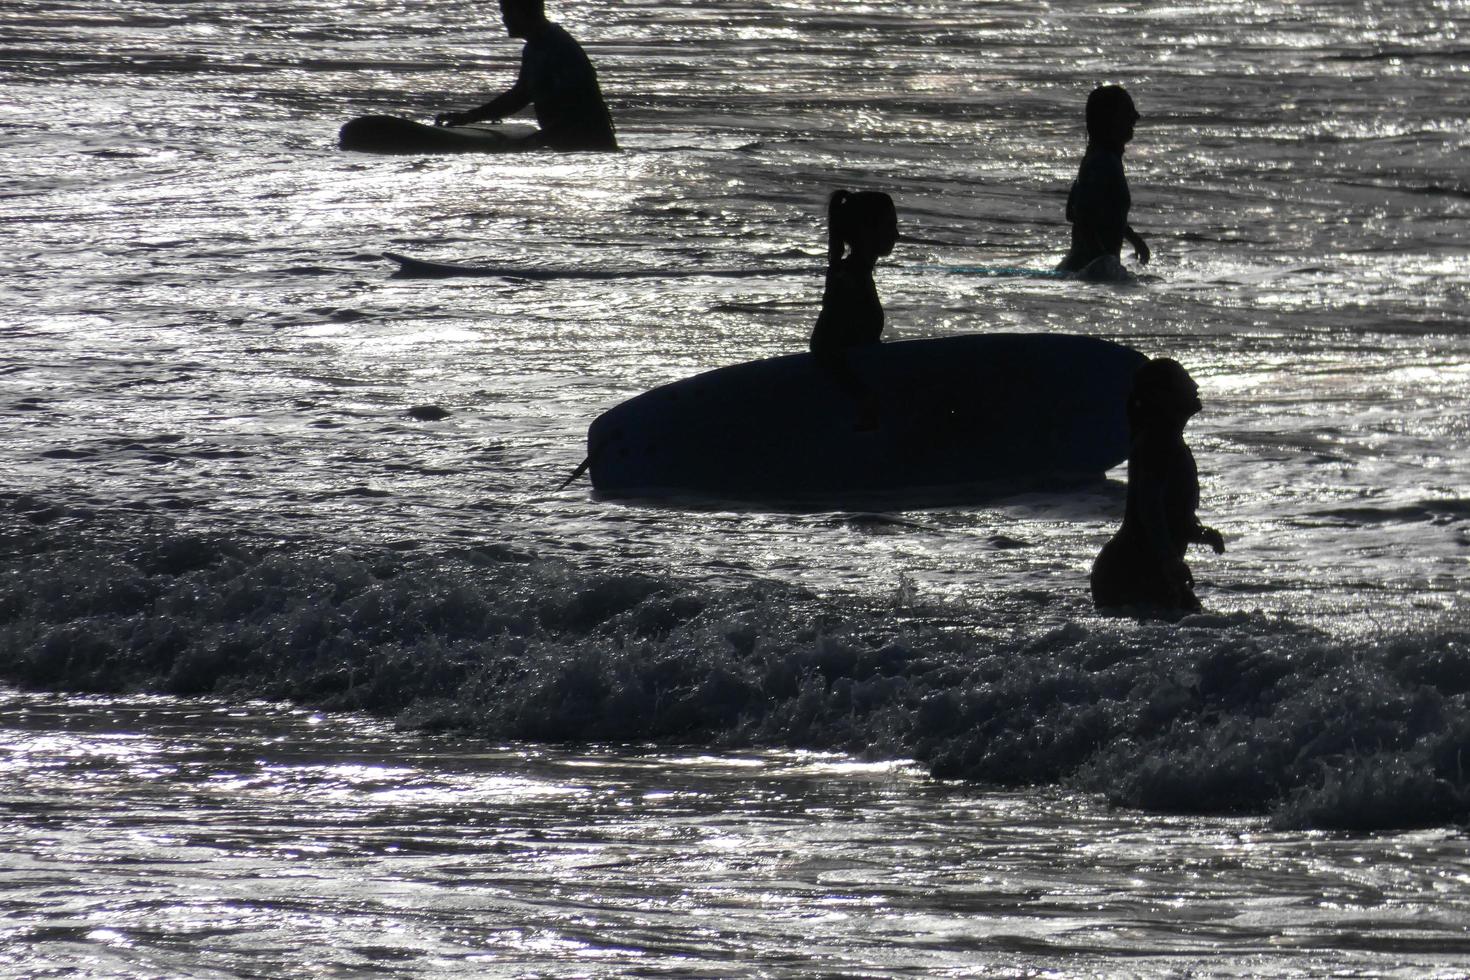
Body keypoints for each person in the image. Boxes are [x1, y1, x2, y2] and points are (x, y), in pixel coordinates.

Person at [1091, 357, 1225, 612]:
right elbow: (1148, 506)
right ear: (1162, 396)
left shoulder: (1169, 440)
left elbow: (1169, 512)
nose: (1195, 386)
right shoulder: (1157, 441)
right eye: (1185, 381)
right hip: (1131, 572)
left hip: (1145, 568)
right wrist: (1168, 560)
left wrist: (1200, 534)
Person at [434, 0, 617, 152]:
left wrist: (538, 140)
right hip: (566, 145)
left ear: (522, 12)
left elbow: (580, 109)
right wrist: (468, 117)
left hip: (590, 146)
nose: (504, 19)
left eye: (506, 12)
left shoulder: (559, 47)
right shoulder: (535, 47)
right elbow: (520, 96)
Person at [808, 190, 898, 429]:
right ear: (866, 230)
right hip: (847, 410)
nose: (897, 235)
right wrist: (861, 395)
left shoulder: (858, 274)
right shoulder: (847, 278)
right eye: (889, 226)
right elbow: (821, 345)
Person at [1057, 85, 1149, 279]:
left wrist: (1131, 237)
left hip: (1078, 269)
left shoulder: (1096, 158)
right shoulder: (1104, 161)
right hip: (1086, 272)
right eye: (1128, 112)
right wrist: (1103, 261)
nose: (1136, 117)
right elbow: (1081, 214)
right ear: (1110, 120)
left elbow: (1072, 211)